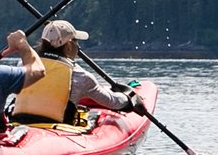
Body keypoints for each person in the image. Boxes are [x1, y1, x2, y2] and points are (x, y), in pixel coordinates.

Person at [16, 18, 145, 124]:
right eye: (76, 42)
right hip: (57, 129)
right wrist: (129, 99)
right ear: (69, 45)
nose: (78, 46)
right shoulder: (81, 76)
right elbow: (112, 102)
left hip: (19, 123)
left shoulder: (23, 64)